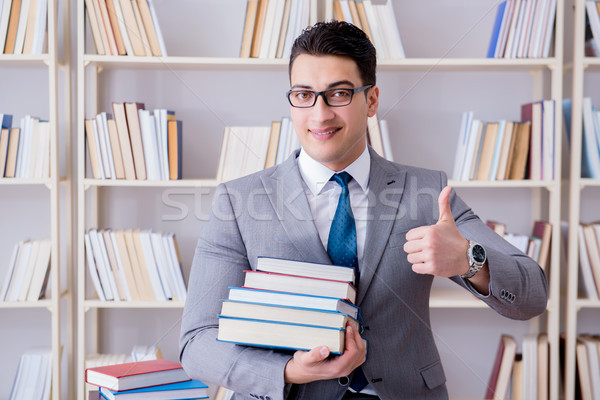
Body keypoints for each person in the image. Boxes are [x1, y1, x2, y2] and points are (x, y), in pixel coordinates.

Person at [179, 21, 548, 400]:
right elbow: (197, 342)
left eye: (338, 93)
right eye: (304, 95)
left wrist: (470, 260)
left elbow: (532, 296)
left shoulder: (427, 194)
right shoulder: (238, 202)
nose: (320, 114)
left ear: (371, 100)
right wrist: (288, 371)